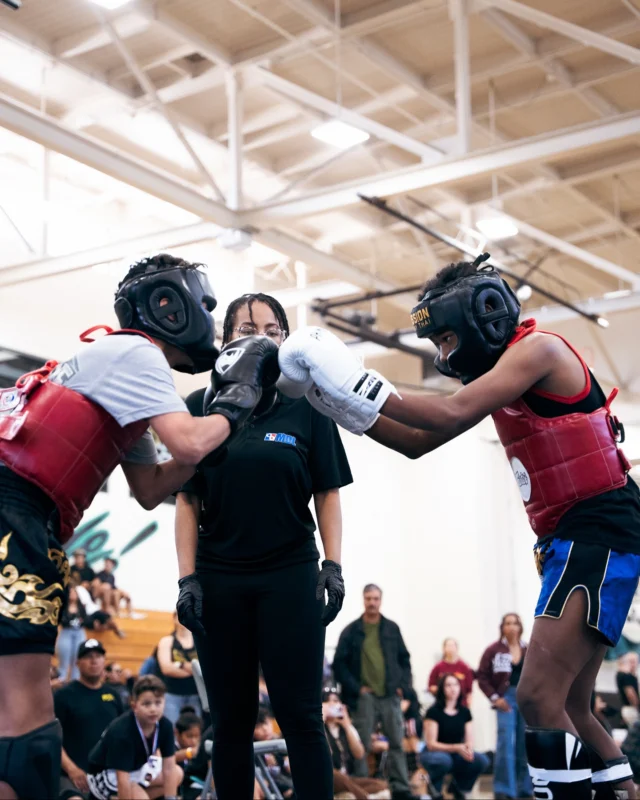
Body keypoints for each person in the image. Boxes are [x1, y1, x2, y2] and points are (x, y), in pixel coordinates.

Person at [279, 252, 640, 800]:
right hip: (579, 535)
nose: (444, 355)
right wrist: (328, 399)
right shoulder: (506, 376)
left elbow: (446, 414)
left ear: (483, 315)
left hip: (600, 530)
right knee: (570, 705)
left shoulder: (538, 351)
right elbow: (418, 444)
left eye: (446, 339)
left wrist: (356, 378)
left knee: (538, 697)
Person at [0, 253, 279, 800]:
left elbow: (151, 488)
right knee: (27, 722)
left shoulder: (118, 368)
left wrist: (215, 440)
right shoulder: (137, 352)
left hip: (23, 517)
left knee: (10, 712)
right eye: (202, 304)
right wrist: (236, 401)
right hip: (13, 514)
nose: (207, 313)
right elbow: (191, 441)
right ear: (168, 305)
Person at [174, 292, 352, 800]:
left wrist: (333, 565)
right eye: (246, 327)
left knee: (301, 717)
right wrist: (187, 579)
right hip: (219, 579)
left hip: (289, 576)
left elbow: (328, 492)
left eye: (273, 329)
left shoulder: (308, 407)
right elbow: (187, 502)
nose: (260, 337)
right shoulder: (197, 408)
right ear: (225, 339)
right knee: (230, 721)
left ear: (286, 340)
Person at [333, 583, 413, 798]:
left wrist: (402, 687)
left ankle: (401, 789)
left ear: (381, 600)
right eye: (368, 598)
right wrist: (357, 689)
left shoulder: (391, 629)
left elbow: (404, 659)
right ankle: (362, 787)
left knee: (396, 743)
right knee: (362, 744)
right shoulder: (351, 632)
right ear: (363, 600)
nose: (372, 602)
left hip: (389, 696)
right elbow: (339, 665)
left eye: (376, 598)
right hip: (364, 698)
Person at [87, 675, 181, 800]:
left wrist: (171, 798)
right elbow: (122, 779)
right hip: (106, 773)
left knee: (177, 773)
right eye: (146, 704)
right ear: (134, 706)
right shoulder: (122, 731)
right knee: (140, 797)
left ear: (164, 702)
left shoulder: (165, 725)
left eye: (158, 703)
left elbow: (169, 768)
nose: (153, 709)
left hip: (135, 769)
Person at [55, 639, 124, 800]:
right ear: (78, 662)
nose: (94, 661)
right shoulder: (63, 696)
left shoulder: (114, 695)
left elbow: (124, 736)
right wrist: (72, 769)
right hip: (73, 776)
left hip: (108, 776)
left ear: (104, 662)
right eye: (88, 657)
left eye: (98, 656)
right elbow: (53, 738)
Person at [477, 613, 531, 800]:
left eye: (515, 623)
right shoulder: (494, 650)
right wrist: (494, 698)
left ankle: (525, 789)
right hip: (505, 700)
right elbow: (482, 676)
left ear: (520, 627)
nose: (511, 627)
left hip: (525, 700)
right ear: (502, 627)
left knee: (525, 744)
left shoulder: (528, 649)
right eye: (507, 623)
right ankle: (504, 790)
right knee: (505, 743)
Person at [420, 674, 489, 800]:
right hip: (434, 753)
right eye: (448, 685)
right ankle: (435, 790)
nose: (453, 688)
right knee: (444, 760)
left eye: (456, 685)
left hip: (456, 753)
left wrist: (468, 751)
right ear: (442, 689)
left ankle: (460, 787)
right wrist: (457, 747)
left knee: (481, 760)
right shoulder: (433, 712)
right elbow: (431, 744)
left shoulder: (465, 712)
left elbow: (469, 740)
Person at [322, 686, 389, 799]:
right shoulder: (318, 728)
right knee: (332, 773)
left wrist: (347, 725)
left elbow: (359, 753)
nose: (332, 704)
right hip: (328, 778)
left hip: (348, 778)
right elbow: (325, 752)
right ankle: (365, 797)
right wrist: (321, 719)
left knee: (382, 785)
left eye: (335, 701)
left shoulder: (345, 727)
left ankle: (357, 795)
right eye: (328, 701)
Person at [156, 614, 202, 724]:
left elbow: (205, 669)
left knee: (194, 729)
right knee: (172, 728)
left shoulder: (199, 640)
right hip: (173, 693)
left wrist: (177, 664)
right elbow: (166, 668)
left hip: (195, 694)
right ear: (174, 619)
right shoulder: (167, 641)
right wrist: (192, 669)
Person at [428, 638, 474, 707]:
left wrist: (468, 705)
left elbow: (469, 691)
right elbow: (431, 686)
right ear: (443, 649)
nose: (450, 648)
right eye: (448, 646)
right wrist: (444, 689)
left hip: (461, 705)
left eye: (452, 646)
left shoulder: (464, 667)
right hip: (443, 705)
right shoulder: (438, 667)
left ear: (457, 648)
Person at [56, 585, 88, 682]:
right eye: (71, 593)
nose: (73, 595)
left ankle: (76, 680)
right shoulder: (63, 607)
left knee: (77, 659)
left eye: (75, 593)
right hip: (66, 632)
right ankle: (61, 679)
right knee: (64, 660)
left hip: (79, 632)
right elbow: (60, 620)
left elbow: (85, 620)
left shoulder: (81, 607)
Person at [617, 652, 640, 728]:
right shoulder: (627, 676)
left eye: (635, 661)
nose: (633, 664)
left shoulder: (623, 675)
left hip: (628, 709)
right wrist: (637, 707)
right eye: (631, 661)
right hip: (631, 709)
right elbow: (630, 694)